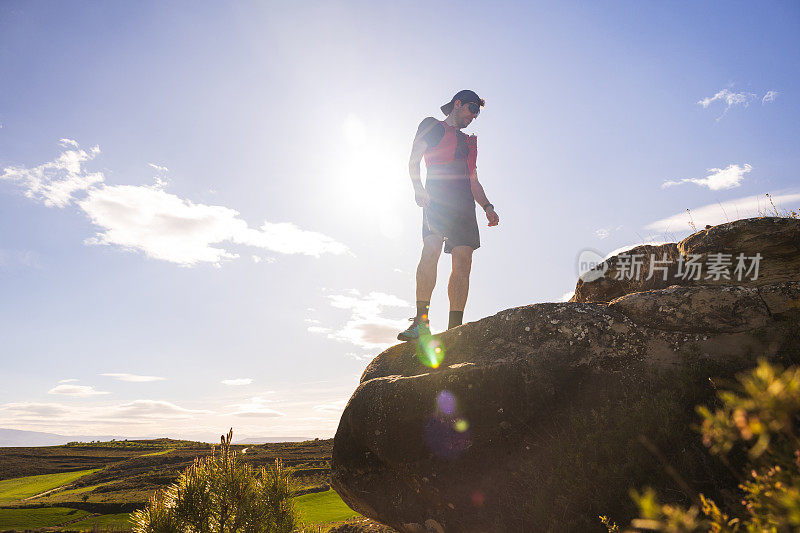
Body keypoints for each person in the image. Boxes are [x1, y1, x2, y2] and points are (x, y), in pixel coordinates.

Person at [398, 90, 500, 342]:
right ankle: (421, 323)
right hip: (438, 196)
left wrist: (487, 206)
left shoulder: (469, 143)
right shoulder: (432, 126)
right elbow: (413, 160)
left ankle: (455, 330)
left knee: (463, 261)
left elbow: (473, 180)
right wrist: (418, 188)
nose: (474, 117)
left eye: (477, 113)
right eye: (472, 109)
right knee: (431, 249)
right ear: (458, 104)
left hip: (464, 202)